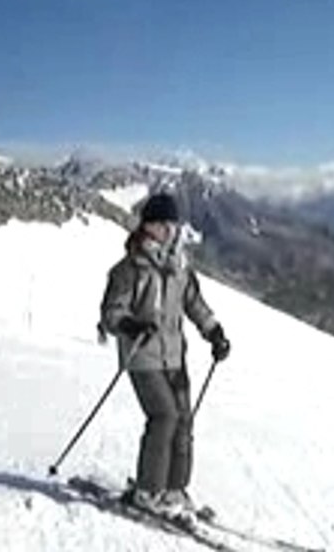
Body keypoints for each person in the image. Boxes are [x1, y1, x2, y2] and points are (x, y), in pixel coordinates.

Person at [100, 192, 231, 519]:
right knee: (164, 416)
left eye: (172, 224)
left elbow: (194, 304)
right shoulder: (129, 269)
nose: (170, 230)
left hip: (174, 357)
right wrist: (131, 324)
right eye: (164, 224)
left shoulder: (179, 267)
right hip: (142, 356)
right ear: (148, 225)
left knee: (184, 420)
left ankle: (174, 489)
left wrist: (214, 332)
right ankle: (147, 491)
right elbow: (111, 313)